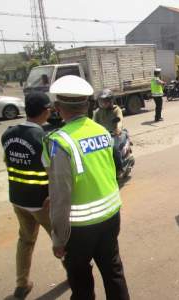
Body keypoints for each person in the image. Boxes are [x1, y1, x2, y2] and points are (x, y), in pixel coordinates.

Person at [42, 75, 130, 299]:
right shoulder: (102, 131)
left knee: (81, 283)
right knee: (113, 272)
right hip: (111, 216)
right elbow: (110, 172)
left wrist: (59, 239)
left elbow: (60, 197)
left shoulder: (59, 141)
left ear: (58, 108)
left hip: (80, 227)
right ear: (88, 105)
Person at [1, 92, 52, 299]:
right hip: (42, 202)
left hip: (18, 198)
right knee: (63, 239)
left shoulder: (7, 134)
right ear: (45, 110)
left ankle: (22, 284)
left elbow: (7, 161)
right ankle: (75, 274)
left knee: (25, 240)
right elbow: (53, 172)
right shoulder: (43, 138)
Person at [93, 88, 125, 177]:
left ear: (111, 101)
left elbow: (120, 120)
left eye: (105, 101)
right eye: (101, 101)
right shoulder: (97, 112)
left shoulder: (116, 109)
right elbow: (93, 124)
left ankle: (119, 169)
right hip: (102, 136)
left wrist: (118, 129)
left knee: (114, 148)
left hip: (114, 134)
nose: (103, 103)